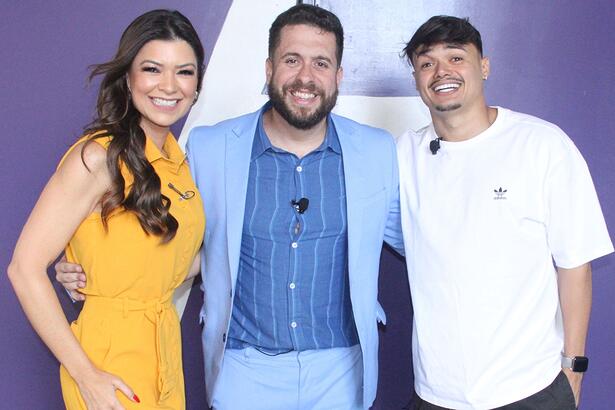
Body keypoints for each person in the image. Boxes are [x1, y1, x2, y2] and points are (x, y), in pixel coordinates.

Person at [59, 4, 402, 410]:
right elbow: (173, 237)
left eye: (321, 63)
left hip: (342, 370)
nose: (306, 77)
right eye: (292, 60)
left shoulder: (377, 150)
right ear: (269, 68)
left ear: (338, 76)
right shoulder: (208, 148)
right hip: (243, 370)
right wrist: (92, 274)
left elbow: (423, 240)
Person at [397, 15, 613, 409]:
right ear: (416, 79)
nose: (441, 71)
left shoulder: (542, 145)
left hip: (531, 388)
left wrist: (574, 370)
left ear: (484, 66)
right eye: (426, 63)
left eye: (456, 57)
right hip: (435, 393)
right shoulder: (402, 156)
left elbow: (575, 265)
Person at [8, 9, 205, 409]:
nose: (169, 86)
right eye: (152, 69)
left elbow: (175, 261)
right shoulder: (97, 157)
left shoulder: (176, 163)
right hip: (108, 360)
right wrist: (87, 376)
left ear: (197, 84)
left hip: (164, 351)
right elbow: (24, 270)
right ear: (128, 78)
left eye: (183, 72)